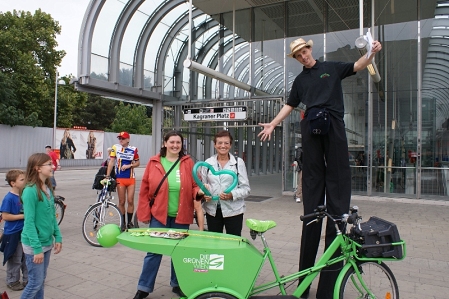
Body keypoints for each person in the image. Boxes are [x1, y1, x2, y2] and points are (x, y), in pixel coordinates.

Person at [258, 37, 382, 299]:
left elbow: (359, 65)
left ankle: (327, 290)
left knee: (337, 182)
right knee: (313, 188)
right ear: (296, 58)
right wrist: (272, 124)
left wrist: (371, 53)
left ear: (310, 49)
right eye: (298, 55)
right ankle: (303, 287)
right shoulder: (300, 81)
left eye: (304, 51)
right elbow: (289, 105)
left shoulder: (331, 68)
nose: (303, 56)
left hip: (334, 125)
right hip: (312, 128)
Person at [133, 131, 204, 299]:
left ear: (181, 145)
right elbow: (145, 190)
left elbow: (195, 185)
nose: (175, 145)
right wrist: (144, 213)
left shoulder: (187, 162)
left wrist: (199, 192)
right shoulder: (154, 161)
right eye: (172, 142)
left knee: (179, 252)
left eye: (178, 142)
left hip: (181, 216)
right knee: (153, 252)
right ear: (165, 143)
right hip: (159, 215)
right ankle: (144, 287)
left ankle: (177, 284)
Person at [20, 153, 63, 299]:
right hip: (34, 245)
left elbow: (52, 217)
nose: (53, 167)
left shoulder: (48, 189)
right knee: (34, 283)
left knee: (40, 282)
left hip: (46, 242)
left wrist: (58, 237)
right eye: (49, 164)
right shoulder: (30, 191)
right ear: (38, 168)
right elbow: (29, 222)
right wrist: (37, 249)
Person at [201, 130, 250, 236]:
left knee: (233, 243)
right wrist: (205, 195)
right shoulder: (208, 163)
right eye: (219, 143)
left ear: (230, 145)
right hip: (212, 211)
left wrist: (232, 194)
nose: (223, 146)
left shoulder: (238, 163)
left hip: (233, 211)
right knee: (214, 243)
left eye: (226, 143)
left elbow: (246, 189)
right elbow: (202, 186)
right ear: (215, 145)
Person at [0, 169, 28, 291]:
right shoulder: (9, 198)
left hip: (24, 232)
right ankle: (12, 280)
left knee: (26, 258)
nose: (25, 181)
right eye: (22, 180)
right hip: (13, 233)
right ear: (13, 183)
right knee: (15, 258)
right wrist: (24, 216)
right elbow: (5, 216)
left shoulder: (24, 195)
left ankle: (28, 279)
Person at [106, 132, 140, 230]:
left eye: (123, 138)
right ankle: (122, 223)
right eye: (119, 138)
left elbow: (138, 162)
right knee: (121, 201)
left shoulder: (134, 149)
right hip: (120, 178)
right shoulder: (115, 147)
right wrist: (107, 176)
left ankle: (129, 222)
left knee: (130, 200)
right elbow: (111, 161)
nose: (121, 140)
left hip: (130, 178)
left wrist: (130, 165)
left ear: (128, 139)